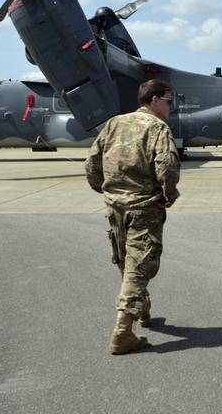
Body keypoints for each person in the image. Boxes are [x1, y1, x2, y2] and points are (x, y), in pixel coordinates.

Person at [85, 79, 180, 355]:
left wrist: (106, 190)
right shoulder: (158, 128)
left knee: (127, 261)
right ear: (154, 100)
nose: (170, 107)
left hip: (116, 206)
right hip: (143, 207)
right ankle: (122, 330)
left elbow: (92, 163)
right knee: (138, 266)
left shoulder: (114, 123)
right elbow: (167, 165)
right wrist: (168, 195)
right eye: (168, 101)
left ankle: (143, 310)